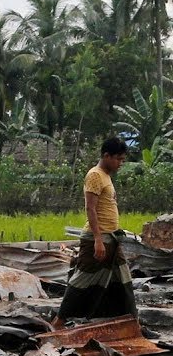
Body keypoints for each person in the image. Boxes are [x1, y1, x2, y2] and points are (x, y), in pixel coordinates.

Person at [54, 137, 137, 327]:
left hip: (112, 239)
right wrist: (98, 241)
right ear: (106, 155)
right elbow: (90, 208)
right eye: (118, 159)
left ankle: (132, 324)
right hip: (98, 239)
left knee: (123, 282)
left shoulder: (106, 176)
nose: (120, 163)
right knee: (82, 280)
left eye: (122, 160)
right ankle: (59, 321)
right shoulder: (95, 175)